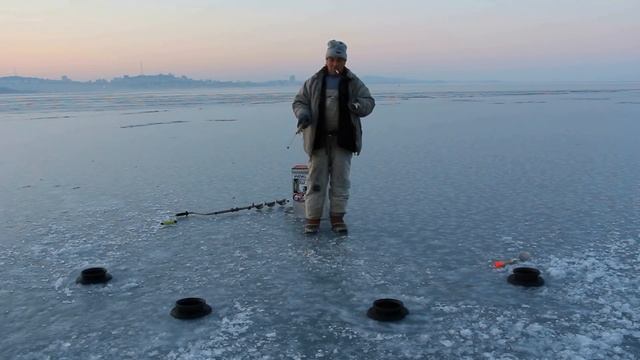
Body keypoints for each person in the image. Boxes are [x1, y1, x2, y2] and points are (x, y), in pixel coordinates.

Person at [292, 40, 375, 234]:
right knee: (316, 180)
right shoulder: (313, 81)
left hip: (342, 140)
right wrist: (303, 114)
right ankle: (312, 219)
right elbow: (299, 101)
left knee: (341, 181)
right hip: (318, 140)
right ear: (326, 59)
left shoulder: (353, 82)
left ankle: (337, 218)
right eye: (331, 59)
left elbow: (369, 102)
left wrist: (356, 106)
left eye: (339, 60)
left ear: (344, 61)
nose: (334, 64)